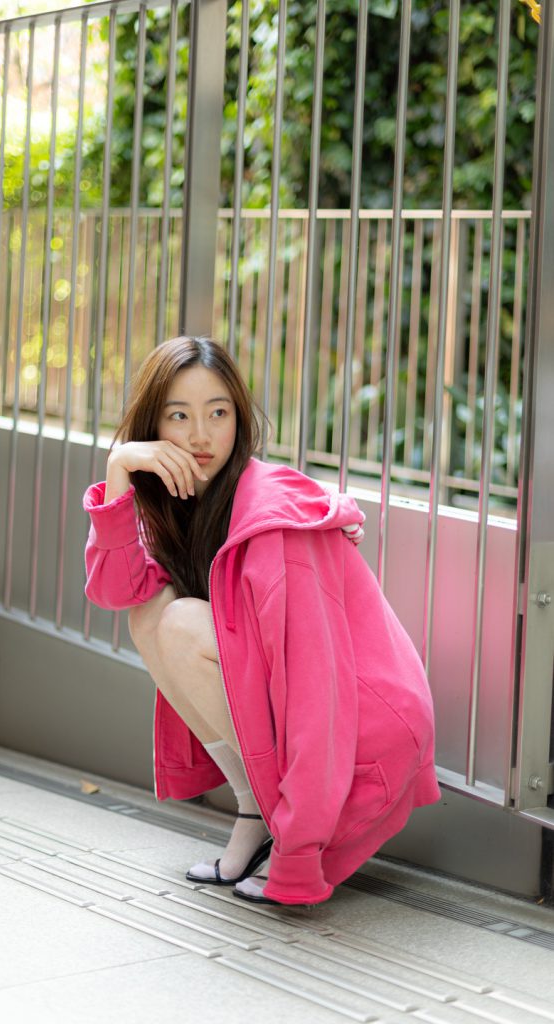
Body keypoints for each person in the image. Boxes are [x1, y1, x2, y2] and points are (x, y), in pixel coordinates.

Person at [83, 335, 440, 907]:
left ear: (239, 418)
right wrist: (120, 467)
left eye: (218, 413)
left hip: (367, 738)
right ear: (153, 424)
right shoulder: (182, 501)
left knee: (180, 623)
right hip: (309, 713)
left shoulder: (272, 521)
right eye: (179, 416)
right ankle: (257, 814)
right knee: (152, 613)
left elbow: (318, 690)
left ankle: (283, 828)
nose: (201, 436)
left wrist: (299, 857)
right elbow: (116, 590)